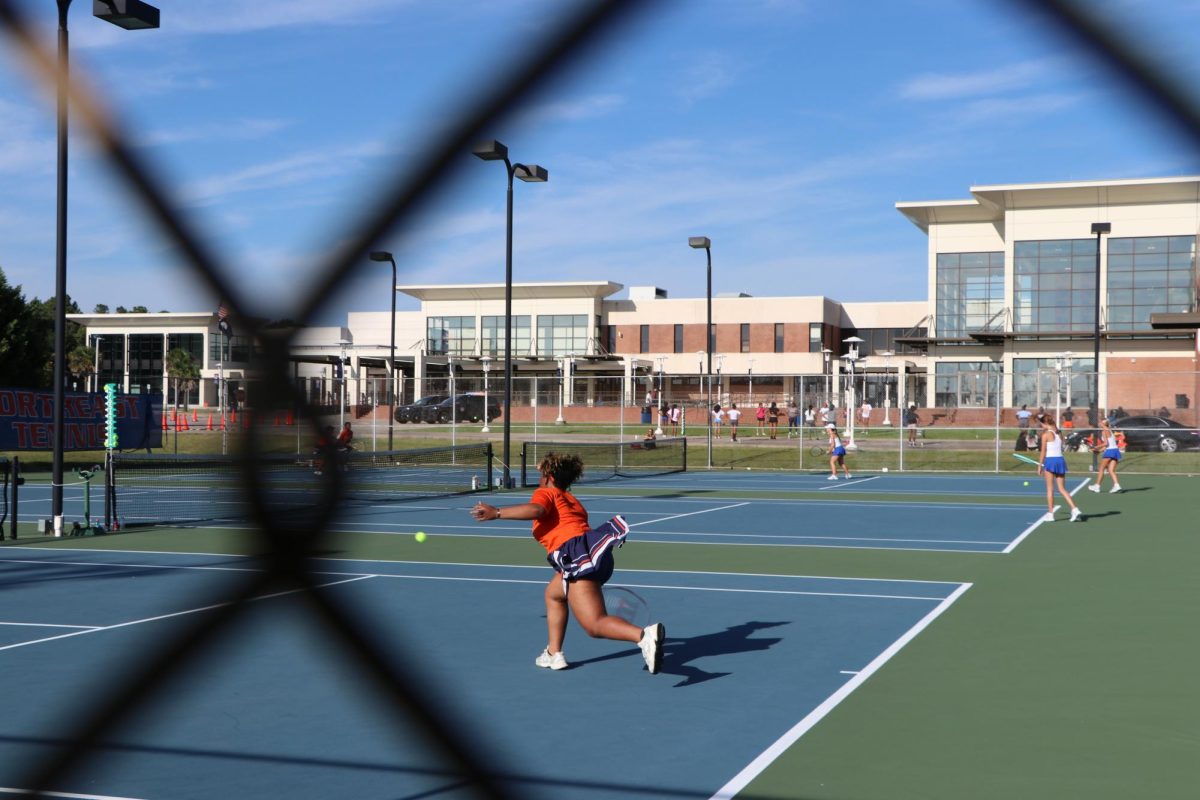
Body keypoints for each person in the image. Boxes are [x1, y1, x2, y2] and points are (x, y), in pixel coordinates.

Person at [470, 453, 665, 674]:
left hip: (578, 557)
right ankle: (554, 653)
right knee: (554, 594)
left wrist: (496, 512)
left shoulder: (546, 493)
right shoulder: (571, 500)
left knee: (594, 624)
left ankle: (643, 636)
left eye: (542, 473)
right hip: (595, 555)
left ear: (550, 477)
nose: (540, 477)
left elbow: (537, 511)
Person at [1037, 414, 1083, 522]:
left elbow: (1043, 451)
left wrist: (1039, 465)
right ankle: (1075, 509)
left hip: (1051, 461)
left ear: (1045, 423)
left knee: (1050, 489)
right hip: (1060, 460)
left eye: (1041, 424)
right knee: (1062, 489)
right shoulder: (1059, 433)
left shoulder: (1046, 435)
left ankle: (1050, 514)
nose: (1041, 426)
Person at [1087, 417, 1122, 494]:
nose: (1099, 423)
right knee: (1110, 470)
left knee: (1101, 469)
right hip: (1115, 451)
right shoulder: (1109, 430)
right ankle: (1117, 485)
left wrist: (1095, 447)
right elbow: (1109, 445)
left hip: (1110, 451)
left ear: (1103, 423)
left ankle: (1097, 486)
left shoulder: (1104, 431)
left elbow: (1106, 443)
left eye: (1100, 422)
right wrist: (1098, 450)